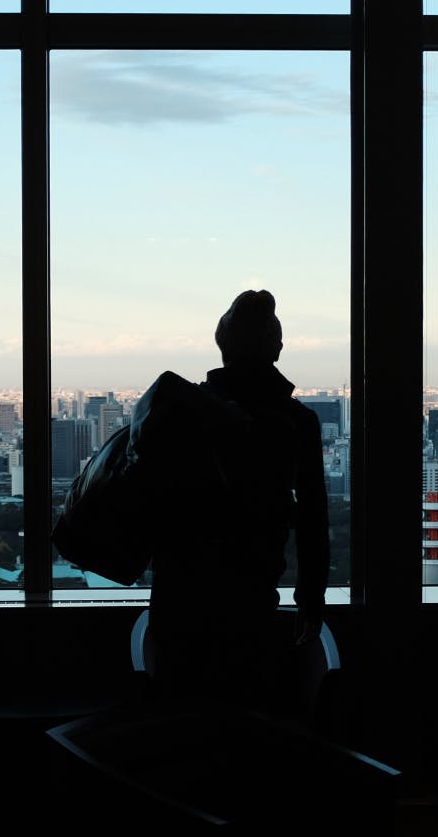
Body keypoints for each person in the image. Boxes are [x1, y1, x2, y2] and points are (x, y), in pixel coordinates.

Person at [145, 289, 331, 711]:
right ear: (276, 349)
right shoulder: (295, 421)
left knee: (179, 716)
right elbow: (313, 516)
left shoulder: (182, 409)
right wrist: (310, 599)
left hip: (176, 590)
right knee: (244, 717)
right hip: (250, 589)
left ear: (222, 346)